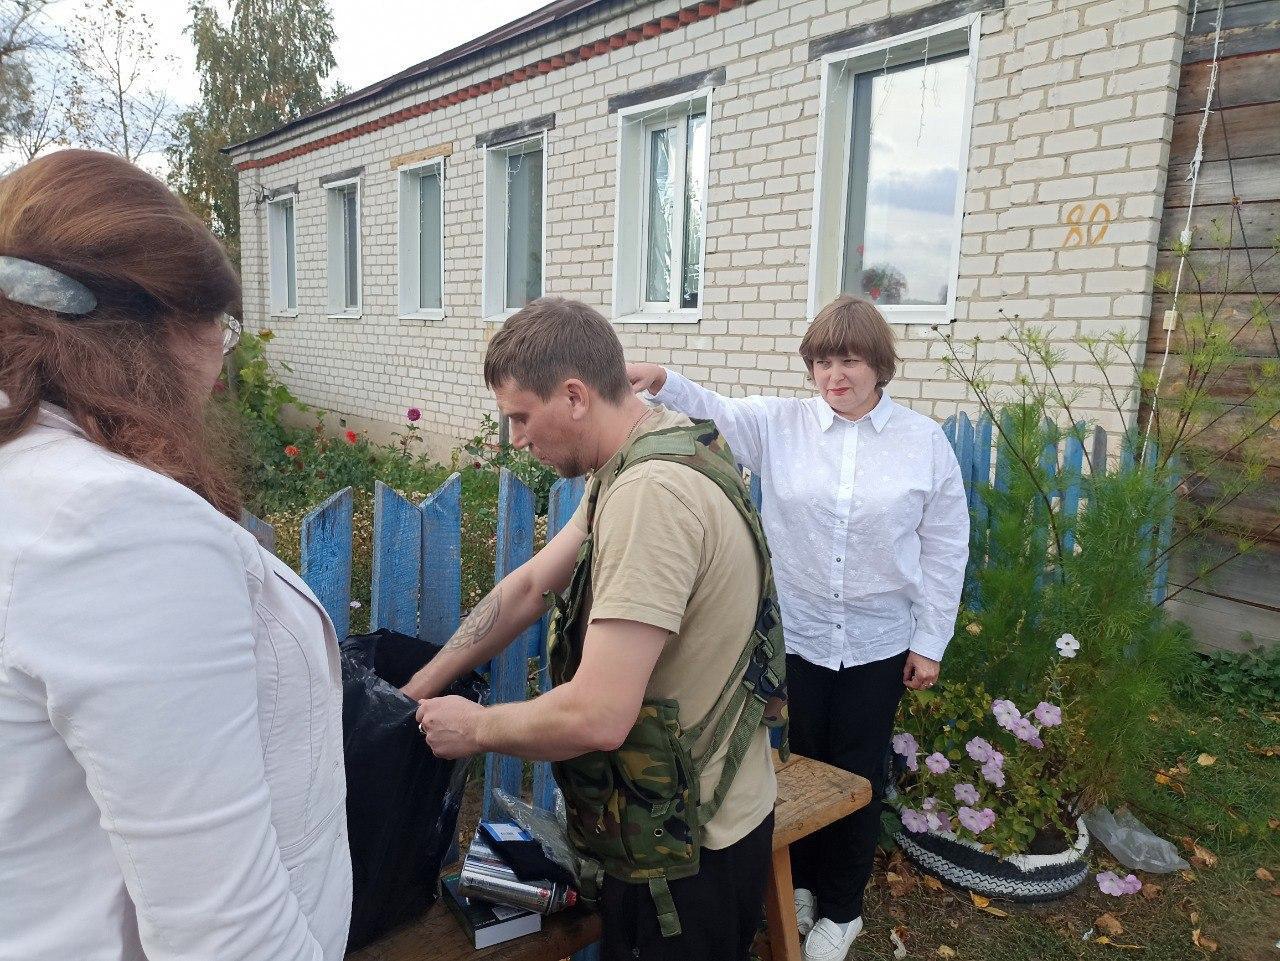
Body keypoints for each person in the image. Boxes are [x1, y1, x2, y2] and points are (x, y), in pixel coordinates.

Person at [0, 150, 351, 961]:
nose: (222, 358)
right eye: (218, 326)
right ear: (160, 329)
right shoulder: (114, 526)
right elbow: (228, 941)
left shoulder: (36, 487)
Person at [405, 297, 785, 961]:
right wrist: (417, 687)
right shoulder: (642, 448)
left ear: (574, 395)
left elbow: (601, 713)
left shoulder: (651, 497)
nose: (516, 438)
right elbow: (528, 587)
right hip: (672, 821)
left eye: (522, 416)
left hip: (693, 855)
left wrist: (475, 728)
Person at [627, 295, 969, 961]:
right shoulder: (780, 426)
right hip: (801, 636)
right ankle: (804, 884)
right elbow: (716, 410)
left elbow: (945, 545)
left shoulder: (922, 442)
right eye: (821, 361)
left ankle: (843, 909)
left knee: (859, 773)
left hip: (878, 642)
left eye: (848, 359)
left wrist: (930, 640)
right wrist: (663, 377)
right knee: (803, 764)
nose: (834, 374)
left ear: (879, 364)